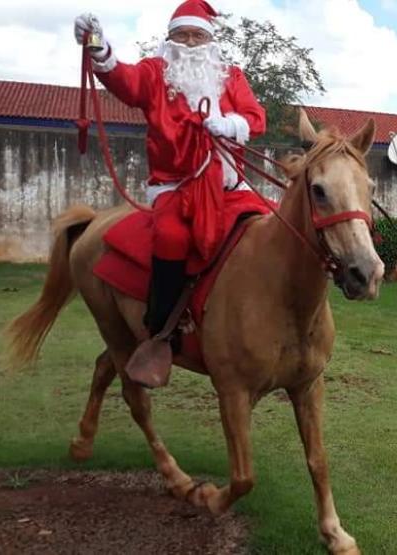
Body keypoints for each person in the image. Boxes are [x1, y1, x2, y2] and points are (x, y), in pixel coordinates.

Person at [73, 1, 266, 363]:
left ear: (210, 41)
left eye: (198, 35)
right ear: (170, 39)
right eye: (182, 35)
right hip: (175, 186)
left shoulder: (232, 76)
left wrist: (231, 125)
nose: (190, 43)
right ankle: (162, 328)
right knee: (171, 237)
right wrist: (96, 41)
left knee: (269, 228)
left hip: (228, 188)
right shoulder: (154, 73)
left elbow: (256, 118)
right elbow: (122, 79)